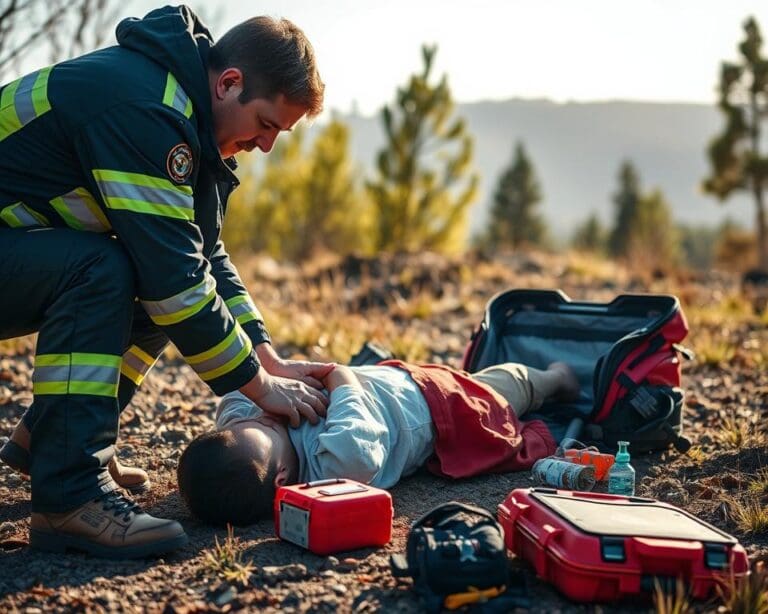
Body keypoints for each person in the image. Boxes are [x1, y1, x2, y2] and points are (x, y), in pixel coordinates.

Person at [0, 6, 333, 558]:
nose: (267, 146)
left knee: (146, 270)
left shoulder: (189, 122)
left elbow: (202, 258)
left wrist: (268, 358)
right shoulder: (145, 109)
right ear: (229, 84)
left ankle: (54, 443)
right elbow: (176, 283)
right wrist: (256, 386)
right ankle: (68, 498)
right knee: (107, 270)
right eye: (268, 125)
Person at [177, 360, 581, 526]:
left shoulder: (241, 425)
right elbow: (347, 387)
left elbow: (237, 395)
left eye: (254, 418)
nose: (267, 415)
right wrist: (332, 374)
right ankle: (556, 378)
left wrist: (277, 385)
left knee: (488, 381)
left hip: (392, 379)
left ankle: (540, 379)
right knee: (504, 391)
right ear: (283, 478)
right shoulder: (335, 466)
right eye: (271, 428)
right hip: (439, 406)